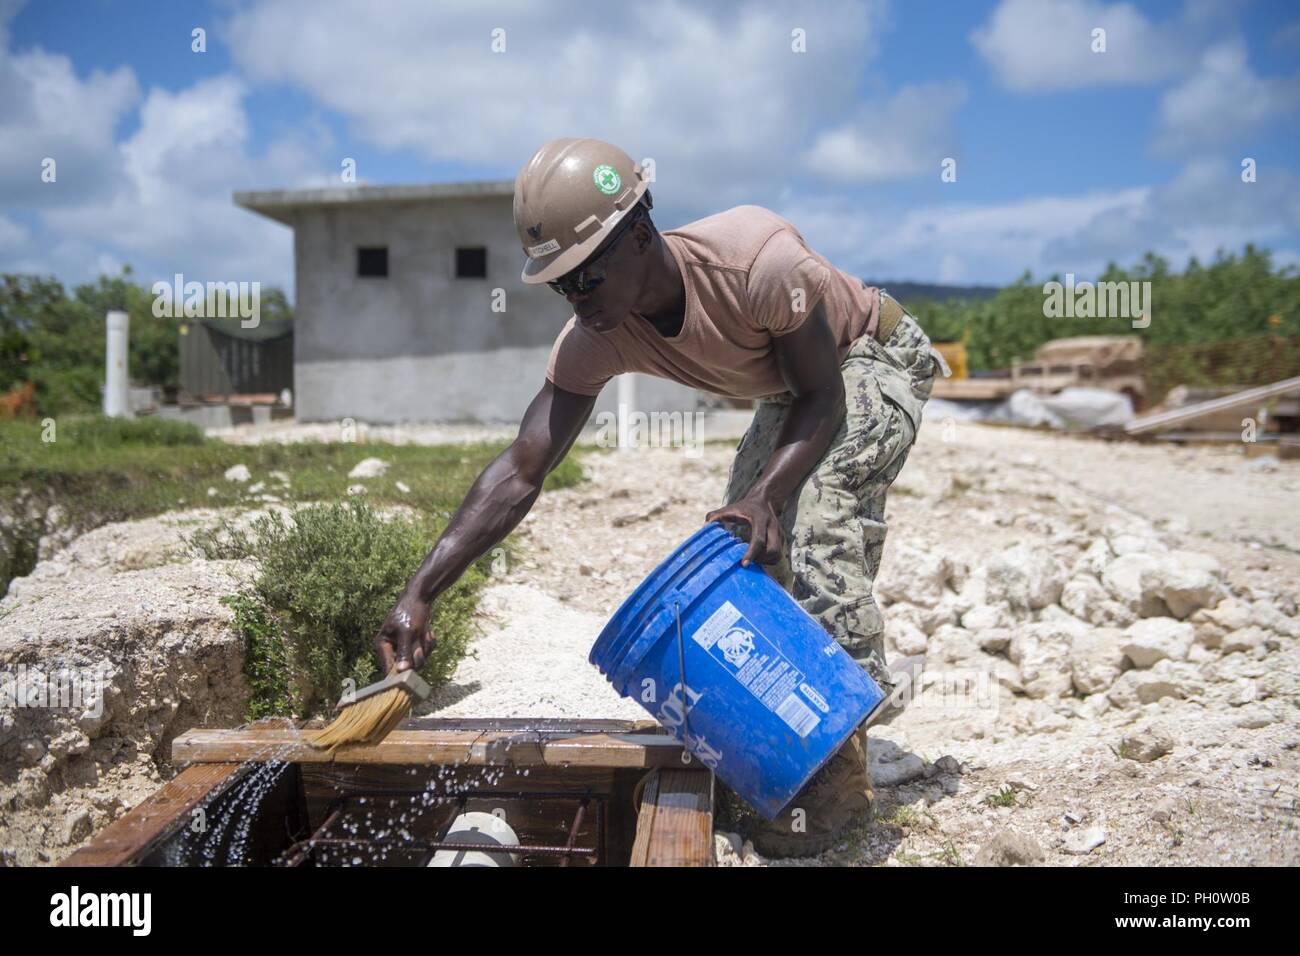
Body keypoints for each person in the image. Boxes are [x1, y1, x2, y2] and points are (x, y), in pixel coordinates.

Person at [372, 137, 949, 857]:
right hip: (793, 389)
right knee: (747, 555)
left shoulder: (758, 262)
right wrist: (421, 591)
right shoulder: (595, 336)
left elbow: (825, 400)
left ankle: (837, 776)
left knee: (815, 524)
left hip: (868, 356)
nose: (577, 298)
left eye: (587, 276)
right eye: (560, 286)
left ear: (639, 233)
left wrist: (769, 494)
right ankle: (785, 737)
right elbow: (522, 468)